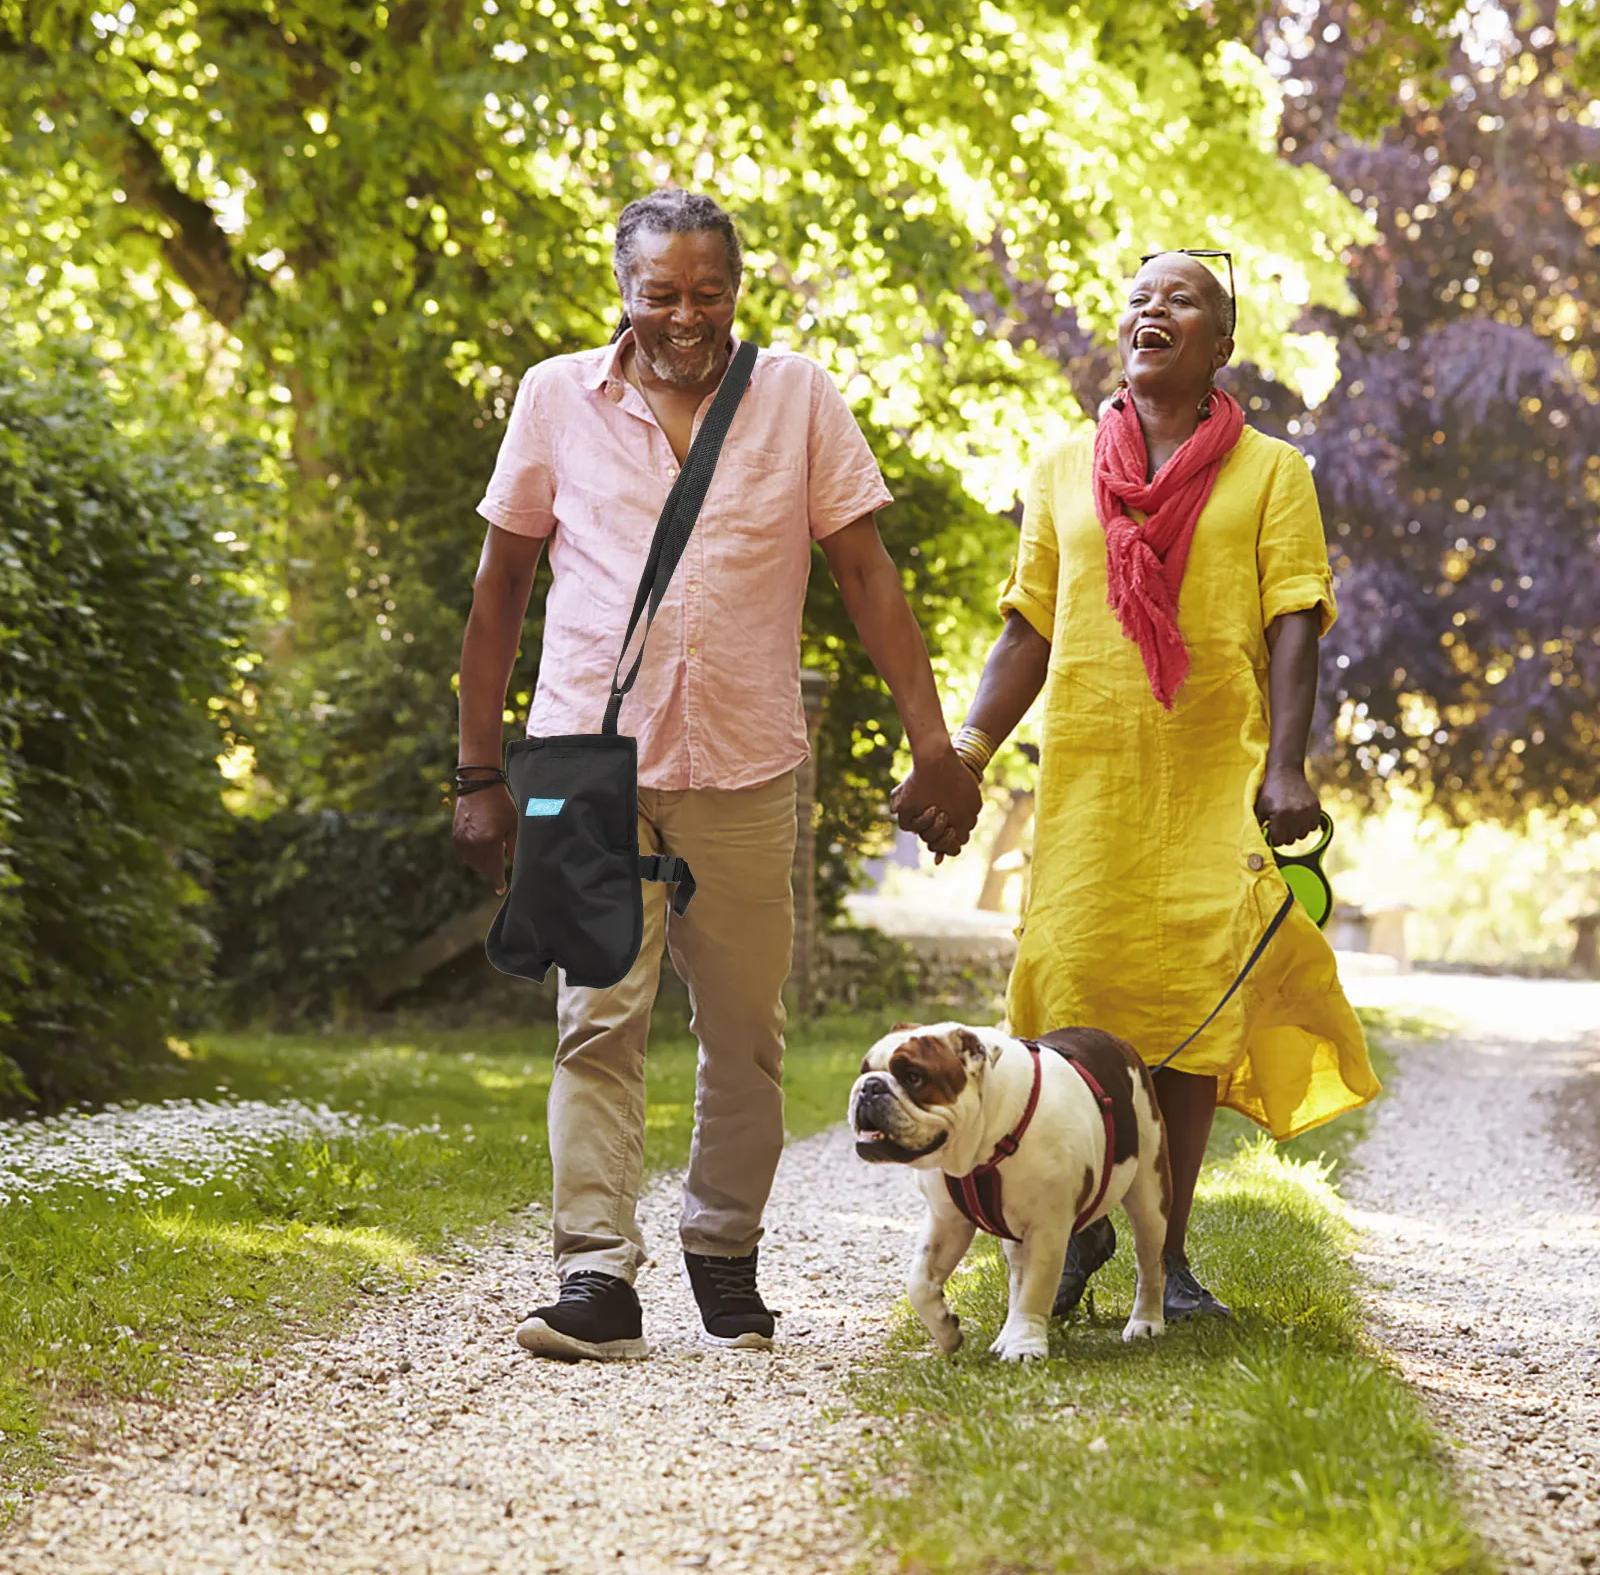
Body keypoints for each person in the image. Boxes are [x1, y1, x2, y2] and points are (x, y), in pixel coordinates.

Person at [453, 189, 981, 1362]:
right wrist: (476, 772)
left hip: (745, 764)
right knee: (595, 1022)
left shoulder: (796, 397)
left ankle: (723, 1246)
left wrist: (932, 744)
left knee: (745, 1034)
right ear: (623, 293)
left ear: (737, 290)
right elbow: (500, 588)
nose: (686, 316)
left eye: (709, 292)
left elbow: (865, 574)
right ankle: (596, 1275)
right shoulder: (554, 397)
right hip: (588, 763)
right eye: (661, 295)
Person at [901, 251, 1379, 1319]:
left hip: (1212, 773)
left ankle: (1171, 1255)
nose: (1152, 310)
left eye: (1183, 299)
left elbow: (1294, 622)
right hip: (1090, 778)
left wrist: (1286, 765)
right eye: (1139, 298)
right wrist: (967, 753)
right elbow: (1029, 626)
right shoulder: (1063, 468)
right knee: (1069, 991)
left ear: (1222, 344)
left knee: (1189, 1010)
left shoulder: (1272, 472)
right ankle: (1075, 1229)